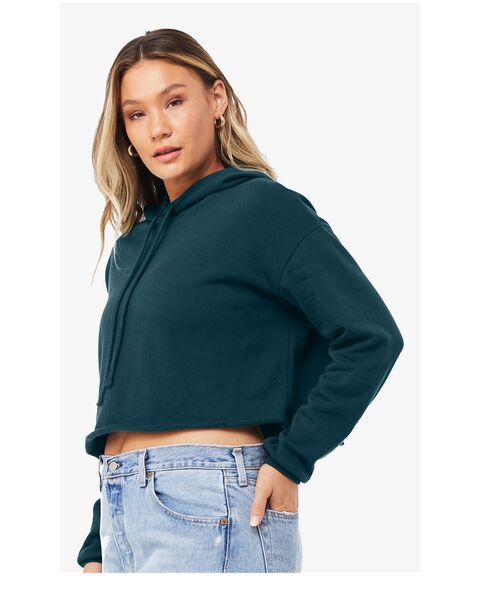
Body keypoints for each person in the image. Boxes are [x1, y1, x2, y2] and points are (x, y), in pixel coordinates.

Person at [77, 28, 404, 573]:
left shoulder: (263, 210)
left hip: (213, 501)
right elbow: (132, 397)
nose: (158, 128)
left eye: (174, 102)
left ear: (217, 99)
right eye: (136, 114)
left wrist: (291, 458)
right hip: (123, 509)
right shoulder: (131, 247)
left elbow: (370, 337)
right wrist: (97, 541)